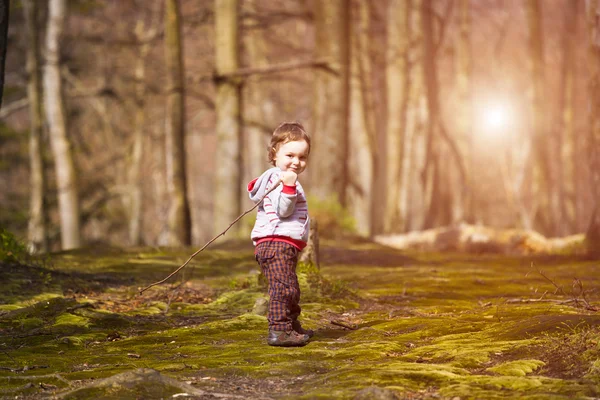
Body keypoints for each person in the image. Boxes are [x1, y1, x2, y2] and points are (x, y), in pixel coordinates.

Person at [247, 122, 314, 347]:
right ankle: (279, 330)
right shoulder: (280, 179)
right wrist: (288, 187)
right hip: (276, 243)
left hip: (281, 244)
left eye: (302, 157)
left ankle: (292, 326)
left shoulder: (281, 177)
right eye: (290, 155)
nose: (296, 161)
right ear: (274, 153)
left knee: (290, 287)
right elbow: (283, 210)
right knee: (283, 289)